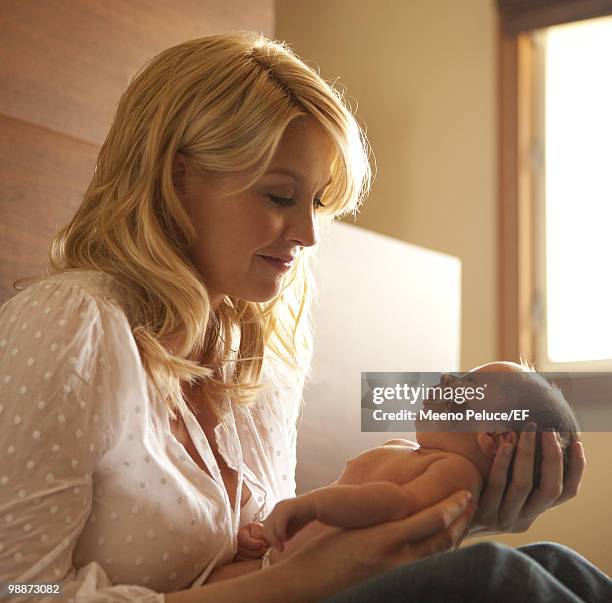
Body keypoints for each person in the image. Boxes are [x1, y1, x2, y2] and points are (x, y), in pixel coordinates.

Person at [0, 30, 599, 603]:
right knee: (500, 578)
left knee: (552, 564)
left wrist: (457, 510)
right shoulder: (74, 324)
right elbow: (18, 588)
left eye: (316, 203)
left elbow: (287, 549)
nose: (309, 234)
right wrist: (293, 587)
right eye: (280, 197)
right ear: (178, 176)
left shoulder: (263, 360)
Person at [244, 361, 583, 557]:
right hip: (282, 563)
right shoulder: (416, 455)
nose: (449, 378)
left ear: (495, 440)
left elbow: (393, 504)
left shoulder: (455, 474)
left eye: (468, 385)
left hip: (312, 580)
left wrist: (311, 506)